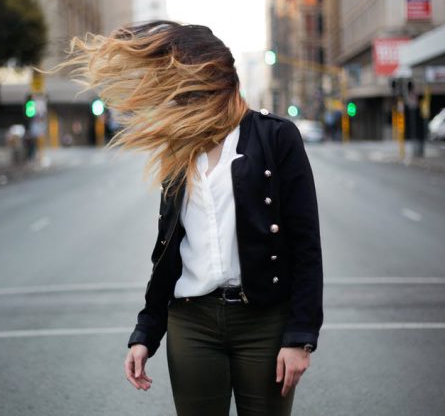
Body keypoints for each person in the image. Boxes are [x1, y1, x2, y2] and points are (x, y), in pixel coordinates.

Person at [61, 21, 323, 415]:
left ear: (216, 80)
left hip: (264, 323)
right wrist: (145, 334)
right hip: (192, 322)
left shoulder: (276, 137)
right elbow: (168, 251)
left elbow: (306, 245)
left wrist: (300, 336)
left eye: (186, 86)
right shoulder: (179, 148)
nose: (179, 98)